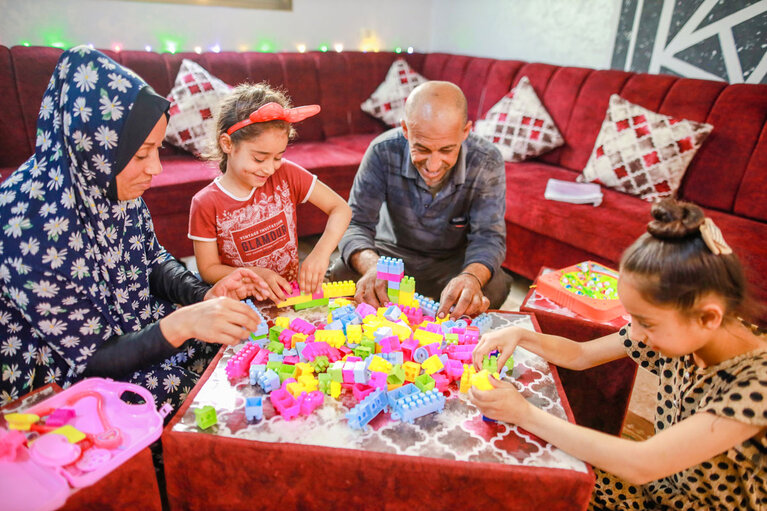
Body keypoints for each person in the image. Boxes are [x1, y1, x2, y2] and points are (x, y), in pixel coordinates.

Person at [0, 47, 271, 411]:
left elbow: (151, 259)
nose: (155, 168)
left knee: (240, 350)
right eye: (142, 154)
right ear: (94, 145)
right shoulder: (27, 229)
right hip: (69, 375)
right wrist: (182, 323)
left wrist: (201, 295)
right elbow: (91, 358)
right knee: (204, 407)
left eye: (157, 149)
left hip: (135, 331)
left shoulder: (103, 181)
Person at [470, 200, 766, 510]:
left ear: (708, 317)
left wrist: (523, 413)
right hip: (661, 491)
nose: (635, 334)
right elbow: (581, 354)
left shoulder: (758, 388)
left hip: (673, 492)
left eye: (646, 323)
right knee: (537, 473)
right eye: (632, 318)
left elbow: (641, 464)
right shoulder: (685, 335)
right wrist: (520, 334)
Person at [330, 81, 511, 319]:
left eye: (446, 150)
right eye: (422, 149)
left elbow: (488, 236)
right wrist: (374, 266)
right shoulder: (382, 151)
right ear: (406, 130)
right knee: (341, 271)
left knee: (495, 285)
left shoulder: (487, 160)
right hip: (391, 256)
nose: (433, 166)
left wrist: (470, 277)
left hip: (451, 264)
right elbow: (355, 222)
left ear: (465, 132)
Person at [188, 83, 352, 303]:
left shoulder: (286, 174)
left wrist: (320, 254)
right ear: (227, 144)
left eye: (277, 157)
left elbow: (340, 209)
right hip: (243, 305)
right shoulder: (206, 203)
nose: (269, 168)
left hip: (289, 299)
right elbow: (208, 269)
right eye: (259, 158)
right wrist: (256, 274)